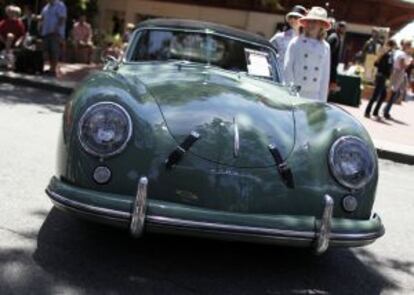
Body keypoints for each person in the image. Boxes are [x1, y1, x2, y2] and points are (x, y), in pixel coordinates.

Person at [284, 6, 331, 102]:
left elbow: (325, 77)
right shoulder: (296, 42)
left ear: (322, 25)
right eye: (309, 21)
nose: (311, 24)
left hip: (314, 96)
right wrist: (291, 94)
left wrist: (322, 101)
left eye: (315, 22)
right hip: (296, 93)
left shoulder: (326, 47)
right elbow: (287, 69)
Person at [270, 5, 307, 81]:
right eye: (291, 17)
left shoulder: (308, 41)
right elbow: (266, 50)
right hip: (279, 76)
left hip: (299, 78)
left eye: (296, 17)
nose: (293, 19)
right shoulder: (279, 37)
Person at [364, 39, 397, 118]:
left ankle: (375, 112)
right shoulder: (388, 54)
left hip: (381, 75)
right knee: (376, 95)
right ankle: (367, 111)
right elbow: (388, 66)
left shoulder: (384, 53)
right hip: (382, 76)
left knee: (382, 95)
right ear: (392, 46)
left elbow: (376, 64)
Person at [383, 39, 413, 119]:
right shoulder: (403, 55)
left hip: (394, 72)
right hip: (398, 73)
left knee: (393, 92)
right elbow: (403, 66)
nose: (410, 48)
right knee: (394, 93)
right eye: (409, 46)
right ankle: (386, 110)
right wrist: (410, 63)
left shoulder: (397, 52)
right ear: (406, 46)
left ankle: (386, 109)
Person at [40, 0, 67, 76]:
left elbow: (62, 18)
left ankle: (53, 70)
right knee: (47, 51)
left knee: (54, 51)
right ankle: (50, 68)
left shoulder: (60, 5)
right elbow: (42, 18)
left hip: (55, 33)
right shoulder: (46, 7)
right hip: (46, 32)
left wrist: (56, 29)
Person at [327, 21, 347, 90]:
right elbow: (328, 54)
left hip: (333, 67)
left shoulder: (338, 38)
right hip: (329, 67)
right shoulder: (334, 38)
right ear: (338, 28)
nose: (344, 30)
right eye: (342, 27)